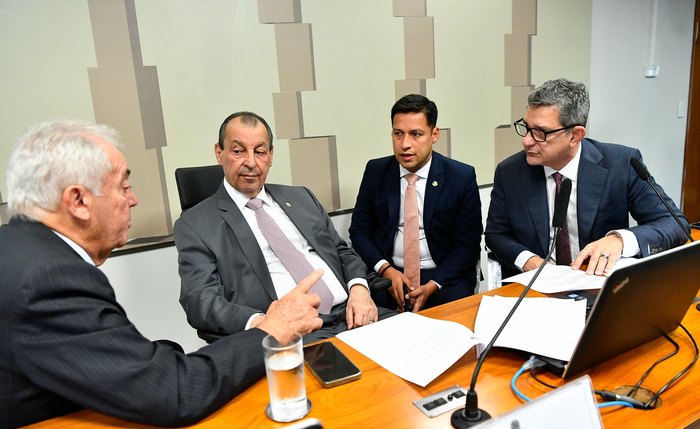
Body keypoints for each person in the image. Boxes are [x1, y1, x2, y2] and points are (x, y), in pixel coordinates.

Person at [0, 120, 323, 428]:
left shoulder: (19, 246)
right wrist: (271, 329)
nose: (133, 199)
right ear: (78, 201)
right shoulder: (50, 278)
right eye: (123, 185)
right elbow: (176, 392)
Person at [174, 111, 393, 344]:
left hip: (354, 312)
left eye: (259, 151)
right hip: (292, 334)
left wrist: (360, 289)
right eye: (238, 151)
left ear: (270, 156)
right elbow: (200, 300)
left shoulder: (300, 196)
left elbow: (341, 251)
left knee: (427, 349)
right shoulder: (195, 225)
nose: (250, 162)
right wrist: (265, 324)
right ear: (219, 153)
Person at [485, 78, 690, 278]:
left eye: (540, 132)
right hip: (538, 287)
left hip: (599, 281)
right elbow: (496, 234)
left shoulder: (621, 164)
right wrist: (528, 260)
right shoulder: (510, 172)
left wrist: (620, 240)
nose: (527, 141)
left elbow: (674, 224)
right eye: (526, 127)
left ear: (575, 135)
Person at [349, 94, 483, 312]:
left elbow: (467, 244)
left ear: (434, 134)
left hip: (443, 275)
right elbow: (359, 232)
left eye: (416, 134)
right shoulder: (376, 171)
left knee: (452, 329)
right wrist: (385, 270)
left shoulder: (461, 176)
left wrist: (433, 285)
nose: (405, 145)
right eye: (398, 134)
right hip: (389, 272)